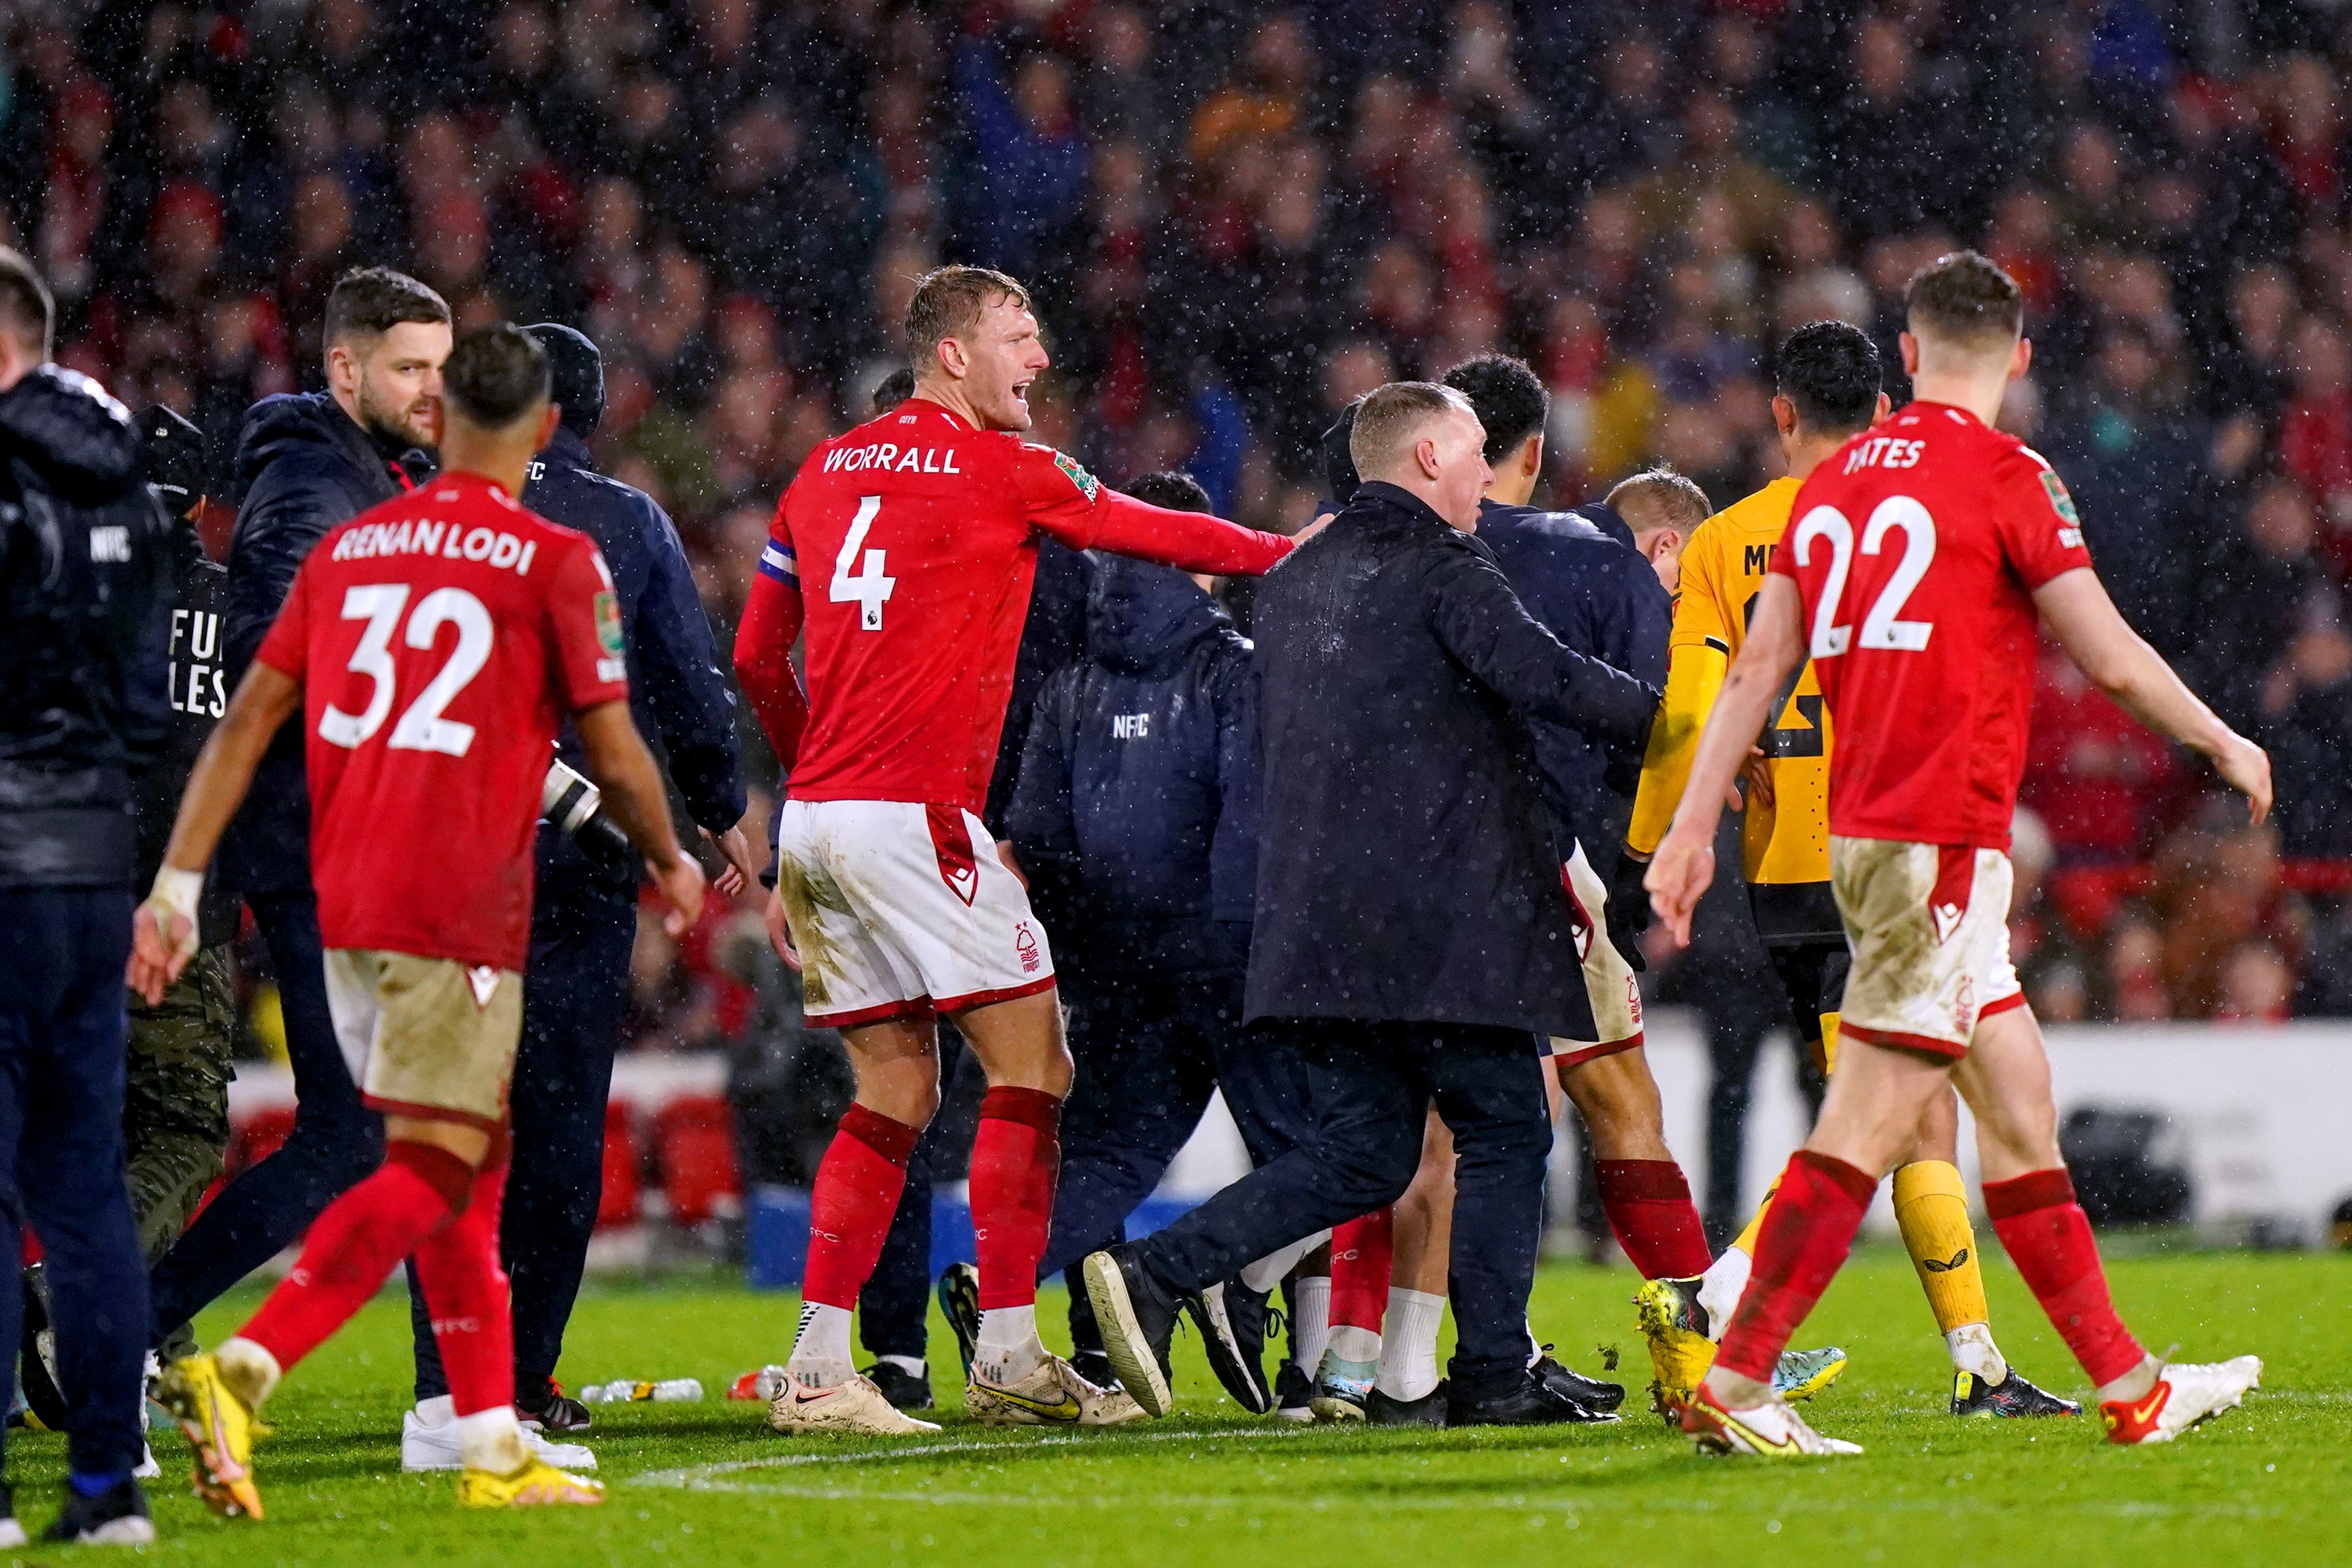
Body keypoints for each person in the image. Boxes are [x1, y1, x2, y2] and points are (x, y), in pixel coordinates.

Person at [1646, 251, 2269, 1455]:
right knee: (1870, 1124)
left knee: (2019, 1107)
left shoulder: (1824, 489)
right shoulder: (2006, 476)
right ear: (2019, 361)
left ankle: (2127, 1384)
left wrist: (1684, 826)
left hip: (1865, 837)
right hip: (1937, 844)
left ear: (1913, 357)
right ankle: (1735, 1376)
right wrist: (2218, 738)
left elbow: (1755, 671)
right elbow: (2107, 655)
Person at [133, 323, 705, 1512]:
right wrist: (667, 853)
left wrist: (183, 883)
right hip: (457, 901)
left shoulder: (352, 547)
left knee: (465, 1159)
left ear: (441, 424)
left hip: (342, 897)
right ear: (543, 432)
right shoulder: (554, 560)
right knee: (438, 1163)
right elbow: (610, 743)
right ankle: (247, 1365)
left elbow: (245, 721)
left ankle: (471, 1428)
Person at [731, 265, 1298, 1435]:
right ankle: (1006, 1351)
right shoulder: (1004, 469)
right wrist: (1291, 552)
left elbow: (753, 657)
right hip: (917, 816)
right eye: (1020, 333)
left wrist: (809, 773)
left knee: (890, 1090)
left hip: (819, 820)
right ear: (953, 352)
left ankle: (820, 1365)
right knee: (1037, 1070)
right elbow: (1154, 533)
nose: (1040, 355)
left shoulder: (821, 470)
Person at [1081, 381, 1657, 1427]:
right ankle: (1489, 1375)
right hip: (1434, 918)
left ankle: (1160, 1272)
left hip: (1311, 924)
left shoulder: (1294, 577)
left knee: (1364, 1150)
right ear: (1428, 459)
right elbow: (1546, 677)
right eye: (1476, 450)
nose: (1489, 472)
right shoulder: (1441, 564)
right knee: (1506, 1128)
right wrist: (1689, 734)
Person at [1626, 319, 2075, 1420]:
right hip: (1893, 849)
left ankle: (1977, 1364)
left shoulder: (1726, 543)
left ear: (1780, 414)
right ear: (1882, 413)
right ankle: (1715, 1299)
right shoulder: (1907, 520)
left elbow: (1692, 706)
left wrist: (1665, 834)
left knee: (1915, 1112)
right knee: (1875, 1116)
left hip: (1781, 871)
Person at [396, 323, 757, 1467]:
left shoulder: (430, 510)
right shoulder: (627, 523)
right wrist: (712, 811)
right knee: (556, 1126)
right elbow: (683, 680)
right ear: (591, 416)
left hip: (445, 852)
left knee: (451, 1122)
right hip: (576, 864)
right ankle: (523, 1375)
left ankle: (441, 1378)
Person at [144, 268, 451, 1352]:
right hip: (316, 846)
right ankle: (112, 1323)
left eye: (440, 369)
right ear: (344, 368)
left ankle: (114, 1323)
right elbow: (271, 645)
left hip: (329, 843)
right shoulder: (313, 481)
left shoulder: (364, 474)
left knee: (357, 1133)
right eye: (409, 367)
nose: (431, 388)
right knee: (358, 1135)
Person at [989, 469, 1315, 1404]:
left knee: (1107, 1152)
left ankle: (1035, 1308)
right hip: (1226, 955)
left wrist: (1092, 937)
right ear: (1201, 562)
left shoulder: (1068, 683)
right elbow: (1249, 820)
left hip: (1114, 964)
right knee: (1311, 1156)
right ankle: (1278, 1339)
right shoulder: (1232, 669)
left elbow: (1038, 835)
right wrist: (1247, 939)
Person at [0, 247, 171, 1546]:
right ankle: (108, 1488)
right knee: (84, 1191)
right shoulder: (126, 472)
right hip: (98, 857)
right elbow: (146, 698)